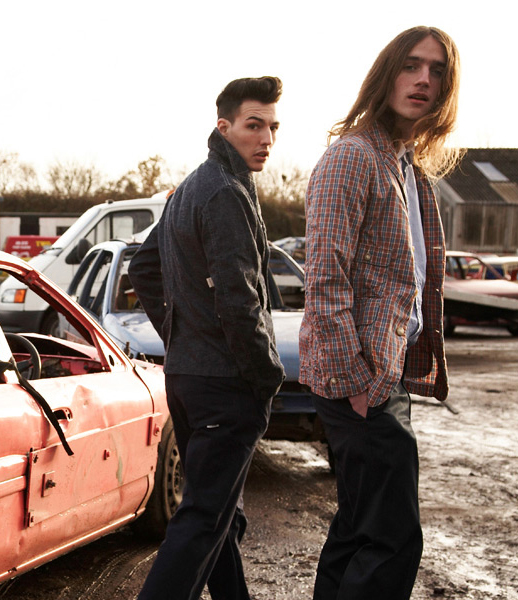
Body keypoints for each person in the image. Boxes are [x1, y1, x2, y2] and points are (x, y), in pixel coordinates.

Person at [299, 26, 461, 600]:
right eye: (411, 65)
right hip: (360, 380)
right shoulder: (352, 157)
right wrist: (356, 383)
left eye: (437, 70)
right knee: (394, 539)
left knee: (357, 528)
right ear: (385, 74)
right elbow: (324, 280)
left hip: (381, 375)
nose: (423, 80)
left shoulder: (404, 164)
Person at [129, 76, 286, 600]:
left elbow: (144, 267)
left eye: (273, 127)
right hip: (225, 384)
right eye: (253, 125)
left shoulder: (195, 185)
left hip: (190, 377)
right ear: (225, 126)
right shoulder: (223, 192)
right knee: (202, 519)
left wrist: (182, 337)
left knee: (219, 516)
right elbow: (239, 300)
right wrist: (266, 376)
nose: (266, 139)